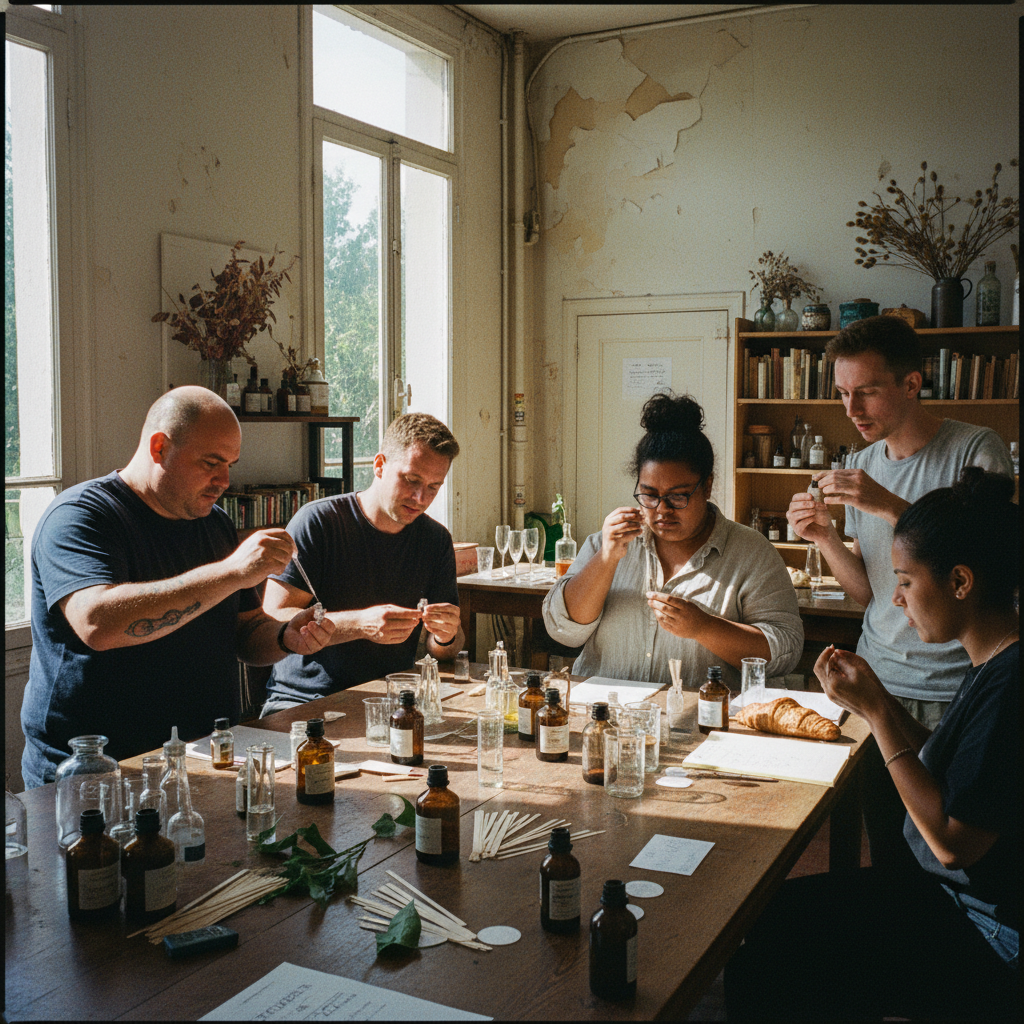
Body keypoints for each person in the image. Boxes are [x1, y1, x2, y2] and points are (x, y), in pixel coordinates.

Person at [725, 468, 1018, 1019]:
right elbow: (948, 765)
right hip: (957, 904)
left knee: (773, 956)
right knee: (766, 914)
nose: (897, 599)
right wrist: (876, 696)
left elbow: (954, 844)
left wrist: (880, 714)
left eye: (905, 581)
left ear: (960, 582)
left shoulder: (1010, 683)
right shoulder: (994, 661)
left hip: (990, 932)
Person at [787, 315, 1013, 870]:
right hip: (880, 682)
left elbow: (993, 561)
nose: (851, 409)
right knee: (891, 853)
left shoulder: (973, 450)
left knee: (951, 857)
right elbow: (874, 592)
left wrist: (887, 505)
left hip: (954, 689)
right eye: (842, 394)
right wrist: (826, 538)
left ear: (912, 384)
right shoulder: (860, 464)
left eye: (866, 391)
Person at [21, 387, 334, 788]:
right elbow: (97, 623)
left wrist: (287, 636)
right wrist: (233, 571)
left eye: (231, 465)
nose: (223, 480)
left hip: (204, 757)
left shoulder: (213, 522)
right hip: (94, 769)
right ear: (159, 447)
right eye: (211, 463)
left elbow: (245, 633)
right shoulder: (80, 516)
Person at [543, 392, 802, 689]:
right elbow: (563, 629)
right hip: (608, 717)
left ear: (707, 487)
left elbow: (786, 650)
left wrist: (705, 628)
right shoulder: (607, 543)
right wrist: (606, 558)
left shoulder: (751, 553)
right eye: (650, 495)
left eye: (678, 496)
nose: (662, 509)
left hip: (704, 722)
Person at [260, 412, 464, 713]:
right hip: (304, 701)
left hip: (390, 700)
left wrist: (446, 636)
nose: (420, 498)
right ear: (379, 466)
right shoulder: (318, 522)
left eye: (433, 487)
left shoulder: (435, 540)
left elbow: (446, 649)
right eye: (411, 480)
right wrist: (359, 624)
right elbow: (274, 617)